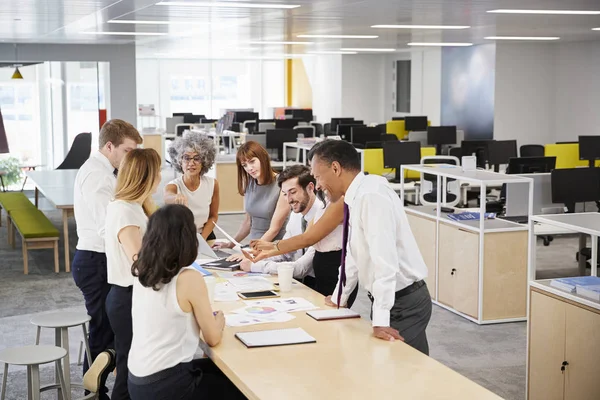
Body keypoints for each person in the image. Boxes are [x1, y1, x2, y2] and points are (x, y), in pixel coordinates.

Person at [309, 139, 432, 354]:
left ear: (336, 168)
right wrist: (340, 296)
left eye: (318, 177)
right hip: (392, 300)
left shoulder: (371, 197)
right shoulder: (357, 196)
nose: (317, 185)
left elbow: (385, 261)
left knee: (403, 371)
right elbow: (353, 254)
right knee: (405, 372)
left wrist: (382, 319)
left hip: (404, 302)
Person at [128, 204, 245, 400]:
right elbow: (213, 338)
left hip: (138, 380)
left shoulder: (142, 271)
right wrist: (219, 322)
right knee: (241, 385)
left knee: (219, 372)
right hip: (167, 386)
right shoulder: (188, 278)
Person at [72, 119, 142, 399]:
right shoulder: (98, 176)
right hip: (96, 260)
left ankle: (99, 387)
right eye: (128, 151)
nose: (130, 157)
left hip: (98, 259)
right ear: (109, 146)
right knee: (103, 331)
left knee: (108, 328)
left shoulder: (105, 171)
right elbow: (109, 226)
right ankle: (95, 393)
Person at [105, 148, 162, 399]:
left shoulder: (135, 206)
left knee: (135, 362)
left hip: (134, 295)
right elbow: (140, 263)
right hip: (127, 296)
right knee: (129, 366)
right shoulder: (124, 210)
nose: (160, 177)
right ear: (147, 176)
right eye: (157, 171)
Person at [240, 165, 321, 280]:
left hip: (320, 284)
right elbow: (285, 251)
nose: (289, 200)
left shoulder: (322, 216)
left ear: (310, 187)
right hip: (299, 281)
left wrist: (257, 266)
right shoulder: (295, 215)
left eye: (292, 192)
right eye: (284, 194)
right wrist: (257, 259)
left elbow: (301, 269)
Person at [215, 141, 290, 248]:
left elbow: (274, 229)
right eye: (244, 165)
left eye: (252, 162)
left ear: (263, 158)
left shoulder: (282, 184)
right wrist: (230, 244)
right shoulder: (250, 183)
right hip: (254, 246)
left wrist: (252, 251)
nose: (249, 168)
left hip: (274, 247)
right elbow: (248, 223)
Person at [164, 132, 219, 240]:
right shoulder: (173, 186)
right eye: (186, 158)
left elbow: (213, 216)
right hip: (181, 238)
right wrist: (175, 197)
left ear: (204, 161)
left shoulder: (212, 184)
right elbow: (167, 196)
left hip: (206, 236)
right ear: (179, 161)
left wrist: (202, 239)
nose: (191, 163)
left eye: (197, 158)